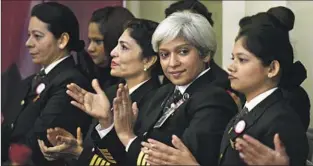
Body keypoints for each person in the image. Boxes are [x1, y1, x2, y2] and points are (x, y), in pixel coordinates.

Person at [62, 11, 237, 166]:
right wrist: (107, 123)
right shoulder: (164, 93)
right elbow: (121, 160)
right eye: (164, 54)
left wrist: (128, 137)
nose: (172, 63)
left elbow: (171, 161)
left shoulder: (214, 99)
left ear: (205, 54)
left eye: (183, 52)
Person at [141, 6, 309, 166]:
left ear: (272, 68)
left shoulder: (281, 120)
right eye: (233, 58)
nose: (231, 67)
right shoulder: (248, 111)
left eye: (242, 60)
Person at [37, 18, 161, 165]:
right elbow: (96, 154)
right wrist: (76, 150)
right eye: (116, 45)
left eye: (124, 47)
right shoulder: (109, 93)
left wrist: (106, 125)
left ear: (148, 60)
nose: (114, 52)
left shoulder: (156, 101)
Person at [1, 2, 92, 166]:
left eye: (37, 36)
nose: (28, 43)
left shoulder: (71, 82)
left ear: (62, 40)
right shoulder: (32, 81)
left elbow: (38, 140)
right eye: (29, 35)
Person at [77, 7, 134, 89]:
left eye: (98, 41)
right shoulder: (85, 73)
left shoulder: (130, 83)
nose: (90, 48)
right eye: (90, 40)